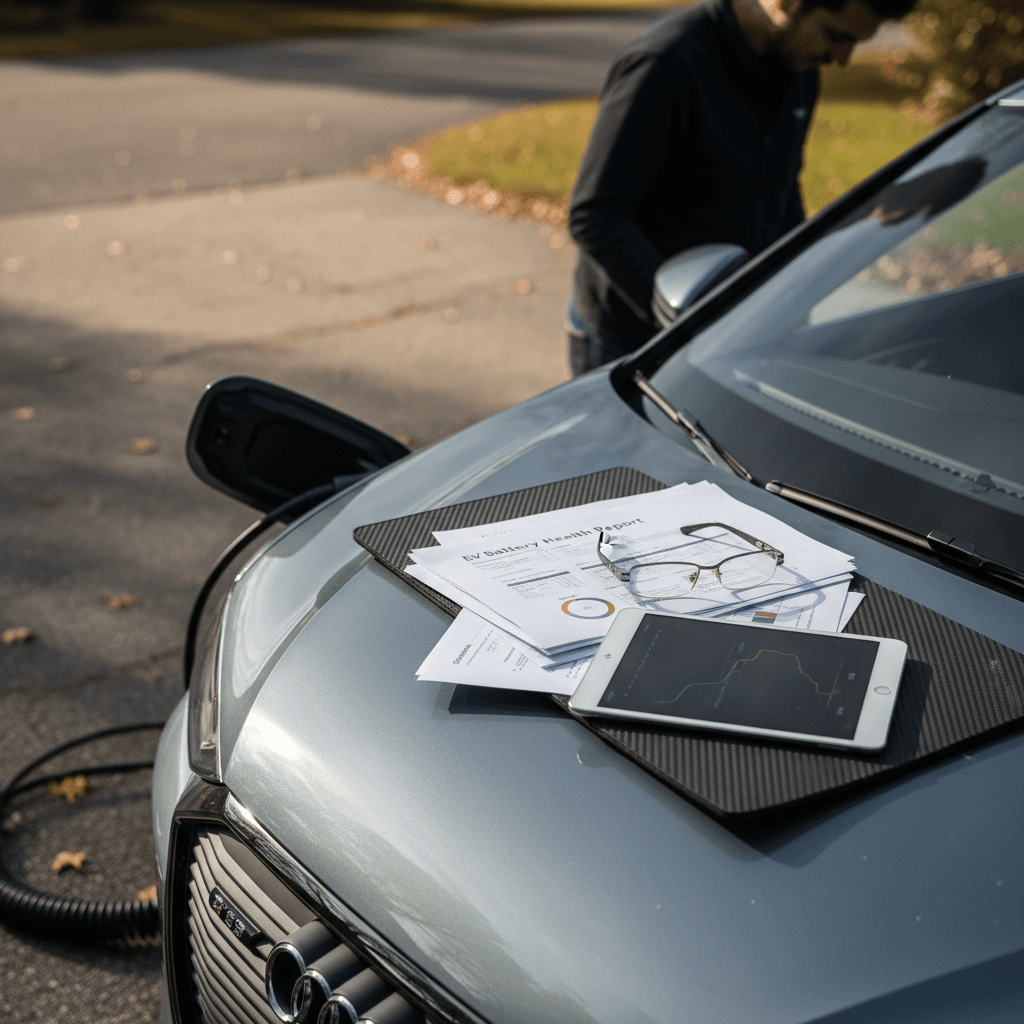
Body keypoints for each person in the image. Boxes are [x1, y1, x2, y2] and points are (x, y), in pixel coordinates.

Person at [566, 0, 918, 375]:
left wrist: (790, 296)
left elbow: (780, 190)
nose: (843, 58)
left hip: (727, 336)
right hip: (630, 343)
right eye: (836, 35)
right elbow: (596, 215)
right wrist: (689, 319)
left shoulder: (798, 69)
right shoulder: (666, 62)